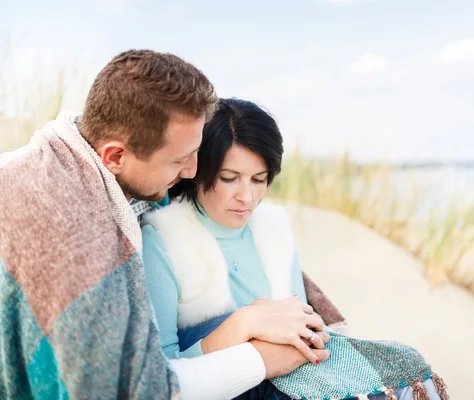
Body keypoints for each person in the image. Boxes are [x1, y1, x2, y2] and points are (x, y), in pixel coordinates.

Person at [0, 50, 329, 400]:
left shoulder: (94, 164)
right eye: (178, 160)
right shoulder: (78, 244)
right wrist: (260, 356)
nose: (191, 172)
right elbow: (134, 391)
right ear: (115, 156)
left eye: (197, 153)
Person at [142, 98, 450, 400]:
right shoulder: (166, 240)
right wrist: (245, 323)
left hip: (299, 378)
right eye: (228, 179)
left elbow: (304, 328)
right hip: (233, 385)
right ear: (198, 172)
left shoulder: (272, 231)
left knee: (411, 371)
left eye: (259, 180)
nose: (246, 196)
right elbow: (163, 369)